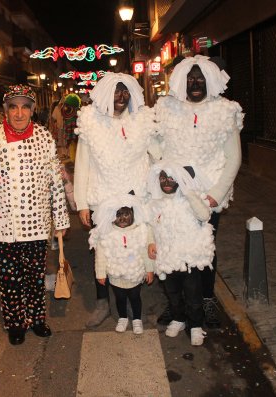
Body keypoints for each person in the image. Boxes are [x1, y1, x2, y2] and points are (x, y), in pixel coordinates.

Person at [0, 84, 70, 346]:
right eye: (14, 107)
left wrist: (61, 220)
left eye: (25, 107)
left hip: (37, 222)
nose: (19, 113)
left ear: (32, 111)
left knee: (35, 276)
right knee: (10, 278)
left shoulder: (44, 138)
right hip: (3, 225)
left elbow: (55, 181)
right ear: (6, 110)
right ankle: (15, 322)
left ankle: (36, 318)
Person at [154, 55, 243, 328]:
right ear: (182, 80)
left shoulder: (224, 110)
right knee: (171, 249)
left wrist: (216, 193)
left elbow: (234, 157)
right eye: (191, 79)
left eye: (201, 79)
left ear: (210, 81)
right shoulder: (166, 108)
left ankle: (205, 301)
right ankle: (177, 306)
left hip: (206, 198)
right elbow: (155, 148)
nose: (195, 84)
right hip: (172, 197)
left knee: (204, 252)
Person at [74, 72, 158, 328]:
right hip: (103, 198)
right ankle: (103, 303)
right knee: (103, 250)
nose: (121, 98)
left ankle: (134, 302)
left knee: (136, 246)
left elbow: (158, 155)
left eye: (125, 92)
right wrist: (83, 204)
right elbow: (82, 165)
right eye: (116, 92)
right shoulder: (91, 121)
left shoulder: (142, 120)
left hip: (136, 197)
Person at [146, 162, 214, 346]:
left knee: (193, 294)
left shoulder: (189, 199)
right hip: (167, 258)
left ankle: (196, 325)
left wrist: (189, 192)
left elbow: (204, 215)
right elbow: (151, 225)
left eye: (171, 178)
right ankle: (179, 319)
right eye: (162, 178)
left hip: (188, 258)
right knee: (172, 293)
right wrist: (151, 242)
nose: (166, 182)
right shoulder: (156, 203)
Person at [89, 194, 154, 334]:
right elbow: (100, 255)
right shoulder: (107, 233)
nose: (123, 220)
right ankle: (123, 318)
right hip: (115, 274)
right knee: (120, 298)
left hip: (134, 274)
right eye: (119, 216)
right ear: (112, 216)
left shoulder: (138, 231)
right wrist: (100, 273)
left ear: (133, 214)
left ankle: (137, 319)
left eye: (127, 216)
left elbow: (144, 251)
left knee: (135, 297)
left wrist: (149, 270)